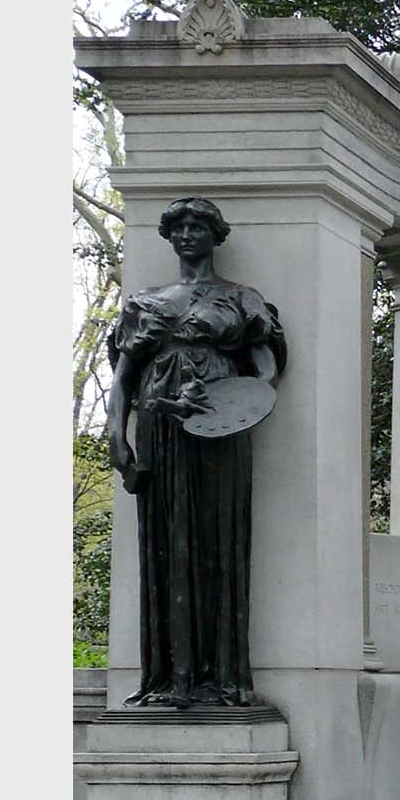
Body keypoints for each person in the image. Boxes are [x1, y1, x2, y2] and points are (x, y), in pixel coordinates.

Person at [107, 197, 287, 708]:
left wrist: (237, 400)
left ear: (215, 235)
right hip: (160, 426)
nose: (187, 234)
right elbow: (123, 378)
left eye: (198, 226)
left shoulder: (239, 299)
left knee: (217, 542)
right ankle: (169, 679)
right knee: (167, 545)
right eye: (179, 227)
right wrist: (117, 434)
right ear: (168, 236)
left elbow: (266, 368)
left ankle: (220, 676)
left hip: (219, 428)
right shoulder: (145, 302)